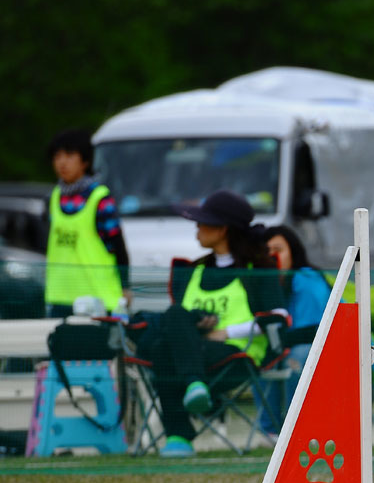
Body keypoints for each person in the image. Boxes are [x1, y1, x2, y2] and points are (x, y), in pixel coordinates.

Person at [140, 190, 287, 458]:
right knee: (172, 321)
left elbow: (278, 317)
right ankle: (191, 393)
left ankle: (179, 433)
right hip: (196, 353)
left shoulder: (257, 269)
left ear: (222, 230)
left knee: (164, 350)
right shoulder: (194, 271)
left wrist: (225, 332)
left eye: (203, 222)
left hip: (238, 355)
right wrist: (197, 326)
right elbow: (180, 321)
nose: (197, 228)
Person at [254, 225, 333, 433]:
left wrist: (280, 341)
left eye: (278, 250)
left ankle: (296, 431)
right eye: (266, 252)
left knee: (296, 356)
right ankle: (270, 432)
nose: (271, 257)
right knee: (258, 357)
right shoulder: (264, 284)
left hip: (334, 347)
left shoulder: (305, 280)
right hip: (294, 345)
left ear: (293, 251)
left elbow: (318, 331)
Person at [45, 129, 130, 317]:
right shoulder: (54, 197)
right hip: (60, 298)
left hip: (98, 299)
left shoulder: (99, 198)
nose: (62, 162)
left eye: (69, 155)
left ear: (85, 161)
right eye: (57, 156)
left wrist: (126, 287)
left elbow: (118, 246)